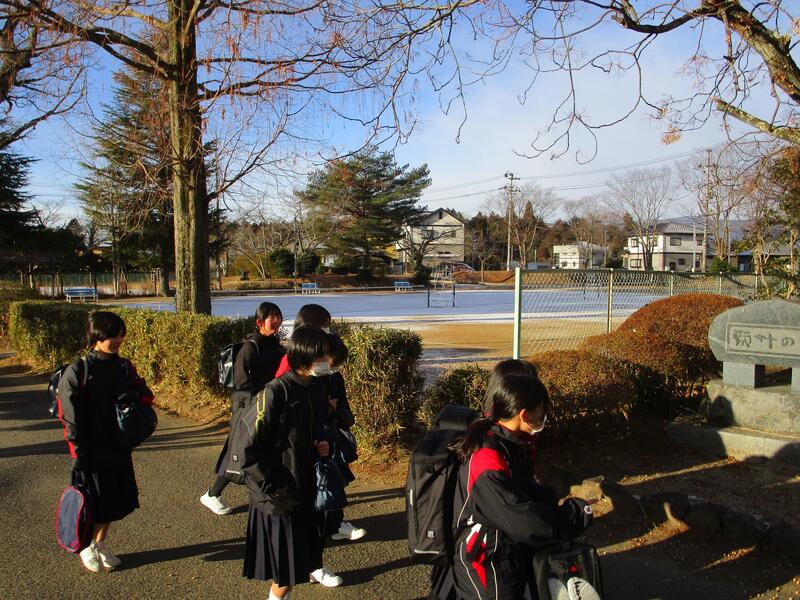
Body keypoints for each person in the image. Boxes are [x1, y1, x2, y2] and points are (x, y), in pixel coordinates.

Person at [450, 359, 594, 600]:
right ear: (524, 415)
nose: (544, 418)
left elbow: (524, 490)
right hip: (487, 563)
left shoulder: (506, 441)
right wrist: (576, 514)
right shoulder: (488, 458)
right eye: (541, 412)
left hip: (504, 552)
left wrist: (550, 498)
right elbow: (526, 522)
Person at [242, 326, 343, 598]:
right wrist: (273, 487)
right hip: (280, 495)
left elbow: (317, 430)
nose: (327, 362)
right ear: (304, 356)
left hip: (305, 489)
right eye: (322, 356)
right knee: (285, 573)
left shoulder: (316, 388)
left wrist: (323, 445)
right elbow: (247, 449)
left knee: (299, 563)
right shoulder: (276, 392)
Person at [57, 310, 155, 573]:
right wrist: (77, 453)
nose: (118, 340)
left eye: (120, 335)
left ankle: (99, 544)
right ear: (97, 336)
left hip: (118, 445)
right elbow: (70, 417)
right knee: (94, 503)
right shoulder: (78, 370)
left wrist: (133, 395)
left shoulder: (123, 366)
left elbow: (147, 395)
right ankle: (86, 545)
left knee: (115, 501)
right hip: (90, 448)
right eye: (112, 335)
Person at [201, 302, 285, 515]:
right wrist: (265, 390)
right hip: (247, 406)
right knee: (239, 452)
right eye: (271, 317)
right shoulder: (250, 347)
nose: (276, 320)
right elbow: (241, 382)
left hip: (265, 404)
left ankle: (267, 495)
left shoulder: (276, 346)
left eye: (278, 316)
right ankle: (212, 494)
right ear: (259, 322)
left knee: (254, 451)